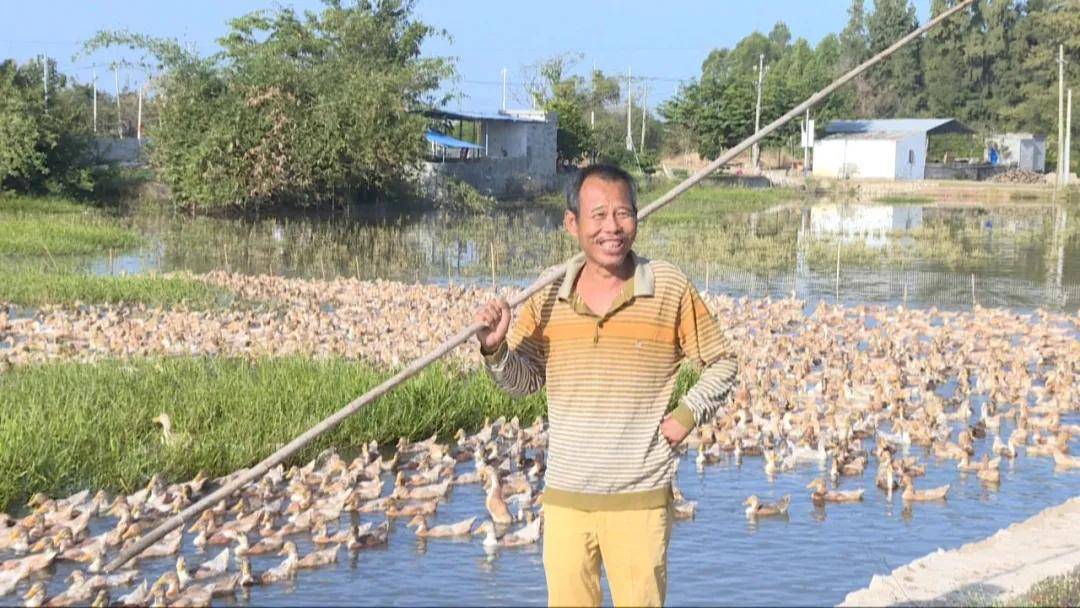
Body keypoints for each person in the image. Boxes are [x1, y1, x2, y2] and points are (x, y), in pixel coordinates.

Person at [474, 164, 738, 607]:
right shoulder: (547, 291)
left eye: (623, 214)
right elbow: (524, 383)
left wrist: (687, 414)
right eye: (598, 216)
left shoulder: (667, 286)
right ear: (572, 223)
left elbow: (722, 362)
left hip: (640, 498)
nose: (612, 228)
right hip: (565, 499)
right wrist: (496, 350)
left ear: (637, 217)